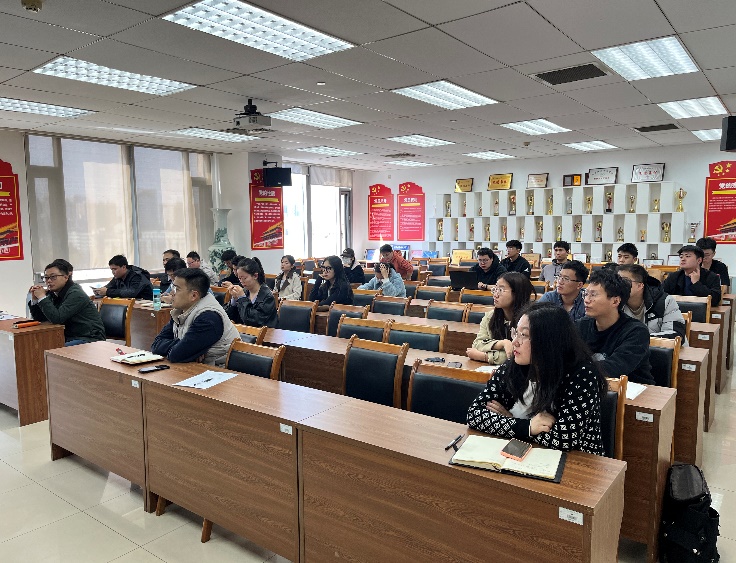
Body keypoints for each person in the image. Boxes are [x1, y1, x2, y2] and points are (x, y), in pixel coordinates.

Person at [467, 301, 607, 455]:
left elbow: (563, 439)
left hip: (578, 460)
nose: (515, 342)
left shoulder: (582, 374)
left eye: (524, 335)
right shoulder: (514, 365)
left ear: (548, 341)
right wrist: (526, 427)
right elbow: (474, 415)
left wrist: (509, 422)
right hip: (526, 452)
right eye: (515, 333)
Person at [577, 269, 654, 385]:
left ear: (615, 301)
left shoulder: (636, 332)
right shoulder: (581, 325)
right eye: (586, 294)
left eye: (593, 295)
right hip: (593, 386)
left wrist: (573, 369)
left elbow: (614, 368)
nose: (587, 300)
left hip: (634, 390)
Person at [151, 268, 240, 366]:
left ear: (193, 295)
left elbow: (176, 355)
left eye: (176, 289)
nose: (171, 293)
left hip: (221, 371)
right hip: (197, 368)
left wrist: (181, 347)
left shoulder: (209, 317)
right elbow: (155, 345)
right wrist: (183, 345)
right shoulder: (180, 310)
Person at [28, 259, 106, 346]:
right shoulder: (53, 293)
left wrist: (42, 297)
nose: (49, 281)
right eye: (46, 277)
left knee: (53, 350)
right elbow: (41, 318)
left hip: (89, 338)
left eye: (53, 277)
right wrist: (35, 300)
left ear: (66, 277)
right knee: (36, 346)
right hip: (68, 336)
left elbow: (57, 318)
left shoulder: (76, 294)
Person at [466, 272, 533, 365]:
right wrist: (502, 343)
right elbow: (477, 344)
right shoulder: (490, 316)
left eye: (501, 290)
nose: (495, 295)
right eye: (495, 289)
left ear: (517, 293)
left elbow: (524, 356)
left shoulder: (529, 320)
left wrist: (485, 356)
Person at [618, 264, 686, 342]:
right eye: (617, 281)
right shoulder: (616, 303)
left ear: (640, 286)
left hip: (662, 348)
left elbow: (676, 335)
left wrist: (638, 339)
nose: (619, 285)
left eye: (624, 281)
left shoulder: (665, 301)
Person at [228, 257, 277, 328]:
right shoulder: (245, 291)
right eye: (239, 278)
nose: (241, 281)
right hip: (245, 331)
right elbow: (229, 316)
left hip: (264, 332)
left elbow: (253, 321)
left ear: (255, 276)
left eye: (244, 278)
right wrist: (234, 301)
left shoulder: (267, 296)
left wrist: (242, 298)